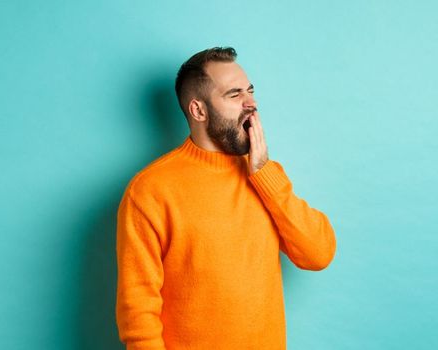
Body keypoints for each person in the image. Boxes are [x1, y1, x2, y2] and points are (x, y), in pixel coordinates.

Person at [115, 46, 337, 349]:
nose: (252, 104)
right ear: (198, 110)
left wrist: (265, 175)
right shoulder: (151, 190)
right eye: (234, 95)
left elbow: (318, 253)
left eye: (250, 91)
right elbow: (138, 307)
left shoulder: (266, 176)